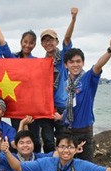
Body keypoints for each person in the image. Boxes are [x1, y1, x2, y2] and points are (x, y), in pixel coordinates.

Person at [0, 4, 42, 152]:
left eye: (31, 43)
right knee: (17, 140)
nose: (27, 45)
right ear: (21, 42)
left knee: (35, 141)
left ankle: (36, 169)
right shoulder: (12, 59)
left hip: (32, 107)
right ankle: (17, 170)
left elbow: (42, 84)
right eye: (25, 42)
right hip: (16, 105)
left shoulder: (38, 62)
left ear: (35, 45)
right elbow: (3, 44)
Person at [60, 37, 111, 163]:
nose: (75, 64)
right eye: (71, 62)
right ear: (66, 65)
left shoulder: (87, 78)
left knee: (86, 166)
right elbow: (72, 105)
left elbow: (98, 65)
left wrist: (110, 50)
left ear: (83, 63)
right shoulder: (67, 83)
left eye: (78, 61)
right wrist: (61, 116)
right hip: (68, 130)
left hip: (84, 132)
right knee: (66, 165)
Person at [35, 7, 78, 153]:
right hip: (45, 106)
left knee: (63, 139)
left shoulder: (63, 57)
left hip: (62, 106)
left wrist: (73, 19)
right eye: (45, 41)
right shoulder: (40, 63)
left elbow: (67, 39)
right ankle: (49, 168)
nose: (48, 43)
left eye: (51, 40)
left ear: (56, 41)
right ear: (42, 44)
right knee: (47, 140)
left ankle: (64, 168)